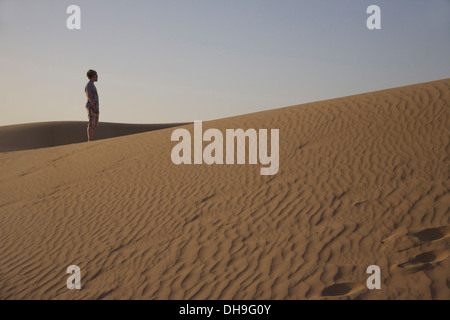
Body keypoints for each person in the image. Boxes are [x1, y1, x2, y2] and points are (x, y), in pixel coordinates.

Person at [85, 69, 99, 141]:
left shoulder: (92, 84)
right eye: (96, 75)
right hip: (91, 106)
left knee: (94, 124)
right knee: (91, 123)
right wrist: (93, 106)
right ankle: (90, 140)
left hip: (94, 107)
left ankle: (91, 139)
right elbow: (89, 96)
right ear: (93, 76)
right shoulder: (89, 84)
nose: (97, 77)